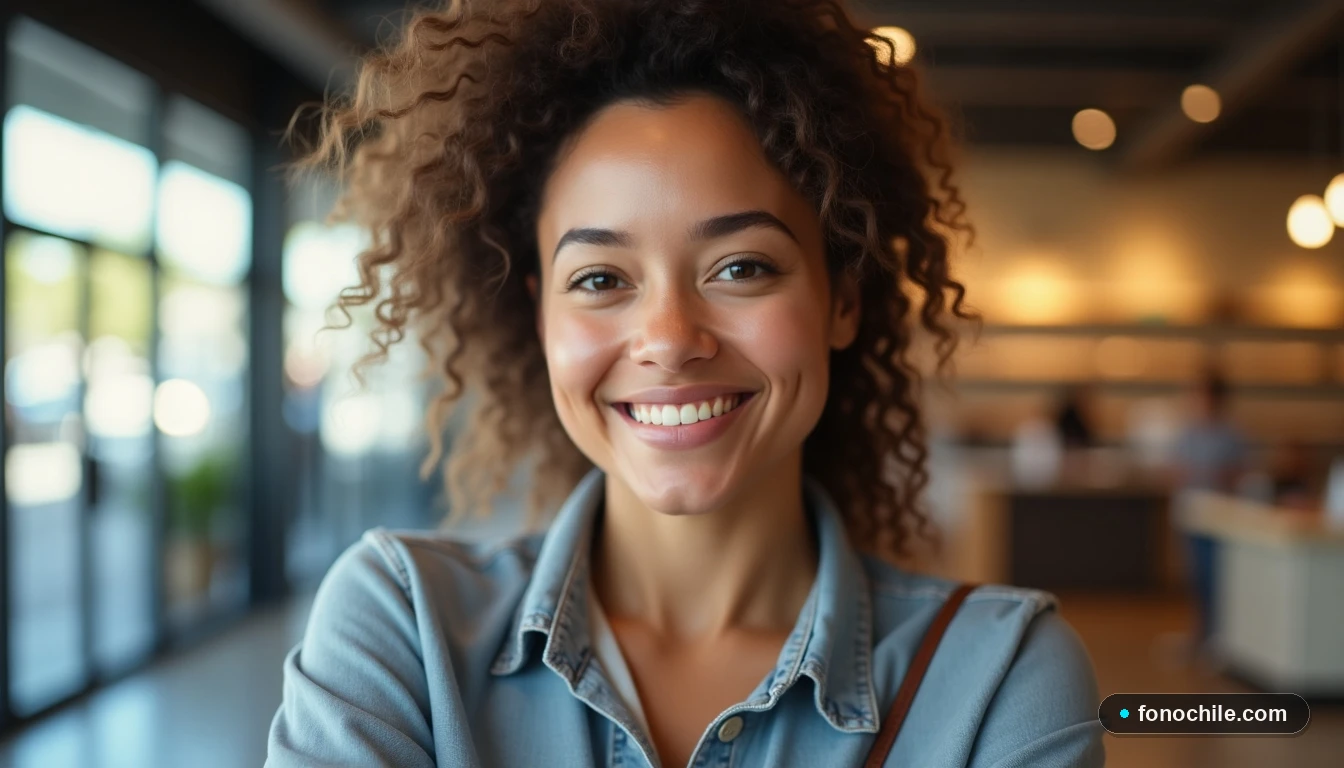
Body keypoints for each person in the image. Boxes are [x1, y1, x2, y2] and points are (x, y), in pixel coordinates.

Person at [266, 1, 1104, 766]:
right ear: (539, 317)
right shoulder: (403, 628)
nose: (668, 340)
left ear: (842, 298)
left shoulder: (999, 676)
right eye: (600, 279)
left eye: (740, 267)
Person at [1172, 369, 1248, 650]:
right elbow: (1177, 470)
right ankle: (1199, 634)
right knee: (1196, 578)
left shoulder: (1231, 435)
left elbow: (1238, 474)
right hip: (1193, 516)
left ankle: (1219, 637)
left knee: (1217, 579)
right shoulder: (1188, 433)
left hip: (1220, 519)